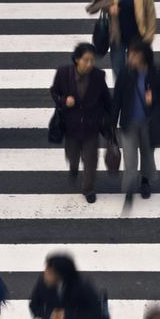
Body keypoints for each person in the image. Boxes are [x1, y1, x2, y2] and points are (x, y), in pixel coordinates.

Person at [112, 39, 160, 209]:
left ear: (143, 56)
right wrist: (111, 124)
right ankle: (129, 190)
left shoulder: (157, 72)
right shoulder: (125, 73)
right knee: (130, 160)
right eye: (129, 54)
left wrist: (154, 96)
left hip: (150, 124)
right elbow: (117, 99)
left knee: (147, 156)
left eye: (134, 54)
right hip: (128, 123)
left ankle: (145, 182)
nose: (130, 57)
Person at [50, 42, 112, 204]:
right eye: (86, 60)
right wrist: (64, 100)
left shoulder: (98, 76)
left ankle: (88, 188)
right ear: (77, 59)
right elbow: (54, 92)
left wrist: (111, 119)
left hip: (91, 126)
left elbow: (106, 99)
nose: (90, 64)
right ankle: (73, 167)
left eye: (92, 60)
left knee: (91, 160)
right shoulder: (63, 73)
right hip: (71, 126)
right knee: (72, 154)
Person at [86, 0, 156, 80]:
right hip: (117, 37)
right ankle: (122, 91)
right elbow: (95, 5)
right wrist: (109, 8)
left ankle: (137, 91)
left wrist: (149, 37)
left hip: (138, 37)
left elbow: (150, 13)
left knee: (138, 70)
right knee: (118, 71)